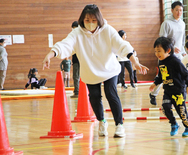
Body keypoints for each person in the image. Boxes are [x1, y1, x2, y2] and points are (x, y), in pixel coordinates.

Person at [42, 4, 149, 138]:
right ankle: (102, 121)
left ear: (99, 19)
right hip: (90, 71)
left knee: (111, 93)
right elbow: (65, 45)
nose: (91, 24)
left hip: (109, 69)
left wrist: (135, 62)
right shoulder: (77, 33)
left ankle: (119, 125)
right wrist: (50, 54)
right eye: (87, 20)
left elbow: (122, 45)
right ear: (82, 20)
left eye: (94, 20)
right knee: (94, 97)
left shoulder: (107, 30)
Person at [149, 37, 188, 137]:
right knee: (165, 108)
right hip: (168, 91)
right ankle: (174, 124)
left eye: (159, 51)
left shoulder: (175, 61)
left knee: (181, 111)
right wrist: (155, 83)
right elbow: (161, 75)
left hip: (178, 91)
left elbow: (186, 73)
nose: (157, 54)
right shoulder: (161, 62)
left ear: (168, 50)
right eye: (155, 51)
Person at [149, 1, 186, 105]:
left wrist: (183, 51)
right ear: (172, 10)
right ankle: (153, 94)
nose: (179, 12)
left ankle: (178, 97)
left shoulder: (182, 24)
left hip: (178, 55)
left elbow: (182, 40)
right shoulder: (166, 23)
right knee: (163, 77)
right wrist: (173, 47)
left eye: (181, 10)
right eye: (177, 10)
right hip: (166, 55)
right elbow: (162, 40)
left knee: (179, 76)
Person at [71, 21, 80, 98]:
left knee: (76, 76)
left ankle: (77, 91)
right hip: (76, 60)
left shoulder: (77, 37)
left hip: (78, 60)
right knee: (77, 76)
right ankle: (78, 90)